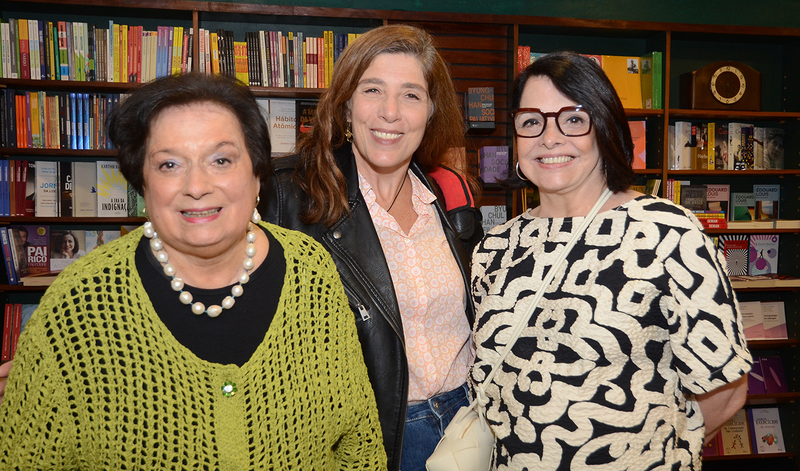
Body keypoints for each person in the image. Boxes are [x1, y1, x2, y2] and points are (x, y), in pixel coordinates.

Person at [0, 73, 386, 470]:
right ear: (142, 182)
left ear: (256, 174)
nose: (197, 185)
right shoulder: (76, 306)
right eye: (169, 164)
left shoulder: (313, 273)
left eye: (221, 160)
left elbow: (359, 444)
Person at [470, 51, 751, 471]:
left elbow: (725, 390)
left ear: (604, 128)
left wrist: (652, 453)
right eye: (531, 121)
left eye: (573, 119)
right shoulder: (495, 247)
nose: (549, 137)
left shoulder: (668, 234)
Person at [261, 24, 482, 471]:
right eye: (372, 90)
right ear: (345, 104)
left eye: (411, 95)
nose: (390, 112)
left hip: (468, 427)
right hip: (370, 439)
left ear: (431, 111)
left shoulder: (448, 194)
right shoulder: (286, 193)